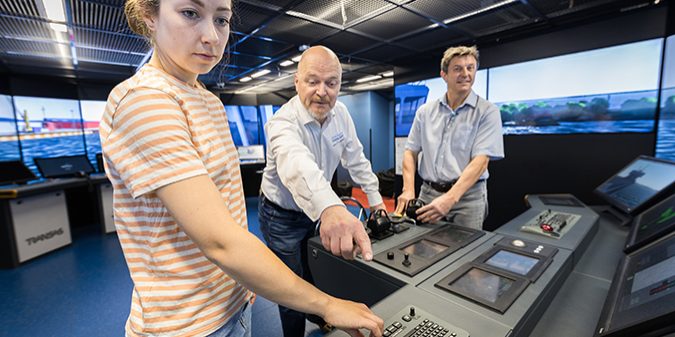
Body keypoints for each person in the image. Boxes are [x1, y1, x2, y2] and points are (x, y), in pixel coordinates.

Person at [100, 1, 384, 336]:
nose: (211, 36)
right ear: (150, 15)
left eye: (221, 19)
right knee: (295, 293)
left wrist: (242, 285)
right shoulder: (146, 101)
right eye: (190, 13)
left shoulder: (207, 100)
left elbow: (228, 213)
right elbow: (223, 240)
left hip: (231, 303)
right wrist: (329, 305)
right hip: (189, 325)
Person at [259, 45, 386, 337]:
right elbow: (297, 165)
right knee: (290, 285)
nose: (322, 91)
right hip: (281, 215)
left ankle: (320, 317)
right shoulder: (282, 123)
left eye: (331, 83)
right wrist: (331, 208)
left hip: (316, 213)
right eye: (313, 81)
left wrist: (377, 201)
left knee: (316, 270)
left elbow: (356, 158)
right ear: (297, 82)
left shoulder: (340, 114)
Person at [394, 45, 504, 229]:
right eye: (457, 68)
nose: (465, 73)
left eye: (470, 68)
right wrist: (408, 189)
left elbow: (481, 162)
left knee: (463, 253)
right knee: (424, 251)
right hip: (428, 194)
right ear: (444, 75)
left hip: (468, 200)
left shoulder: (487, 112)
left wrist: (450, 198)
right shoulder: (425, 112)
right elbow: (410, 151)